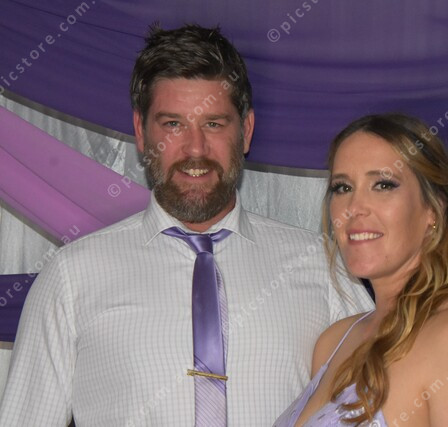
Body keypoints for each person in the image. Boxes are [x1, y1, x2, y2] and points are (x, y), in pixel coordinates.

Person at [0, 24, 372, 426]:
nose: (195, 149)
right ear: (141, 132)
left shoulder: (323, 269)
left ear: (246, 131)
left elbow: (380, 406)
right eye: (173, 124)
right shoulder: (71, 278)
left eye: (214, 124)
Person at [275, 114, 448, 426]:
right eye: (342, 187)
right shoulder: (334, 341)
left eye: (383, 185)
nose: (354, 207)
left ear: (432, 210)